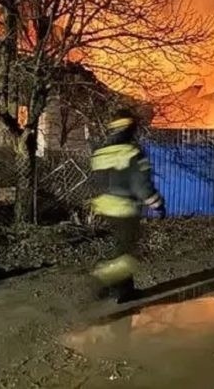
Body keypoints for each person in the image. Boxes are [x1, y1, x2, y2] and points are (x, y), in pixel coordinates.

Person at [89, 109, 165, 302]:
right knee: (127, 253)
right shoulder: (132, 152)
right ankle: (103, 280)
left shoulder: (100, 152)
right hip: (124, 208)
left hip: (104, 208)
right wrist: (156, 204)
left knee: (121, 248)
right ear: (130, 129)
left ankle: (124, 290)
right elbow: (141, 185)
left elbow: (95, 182)